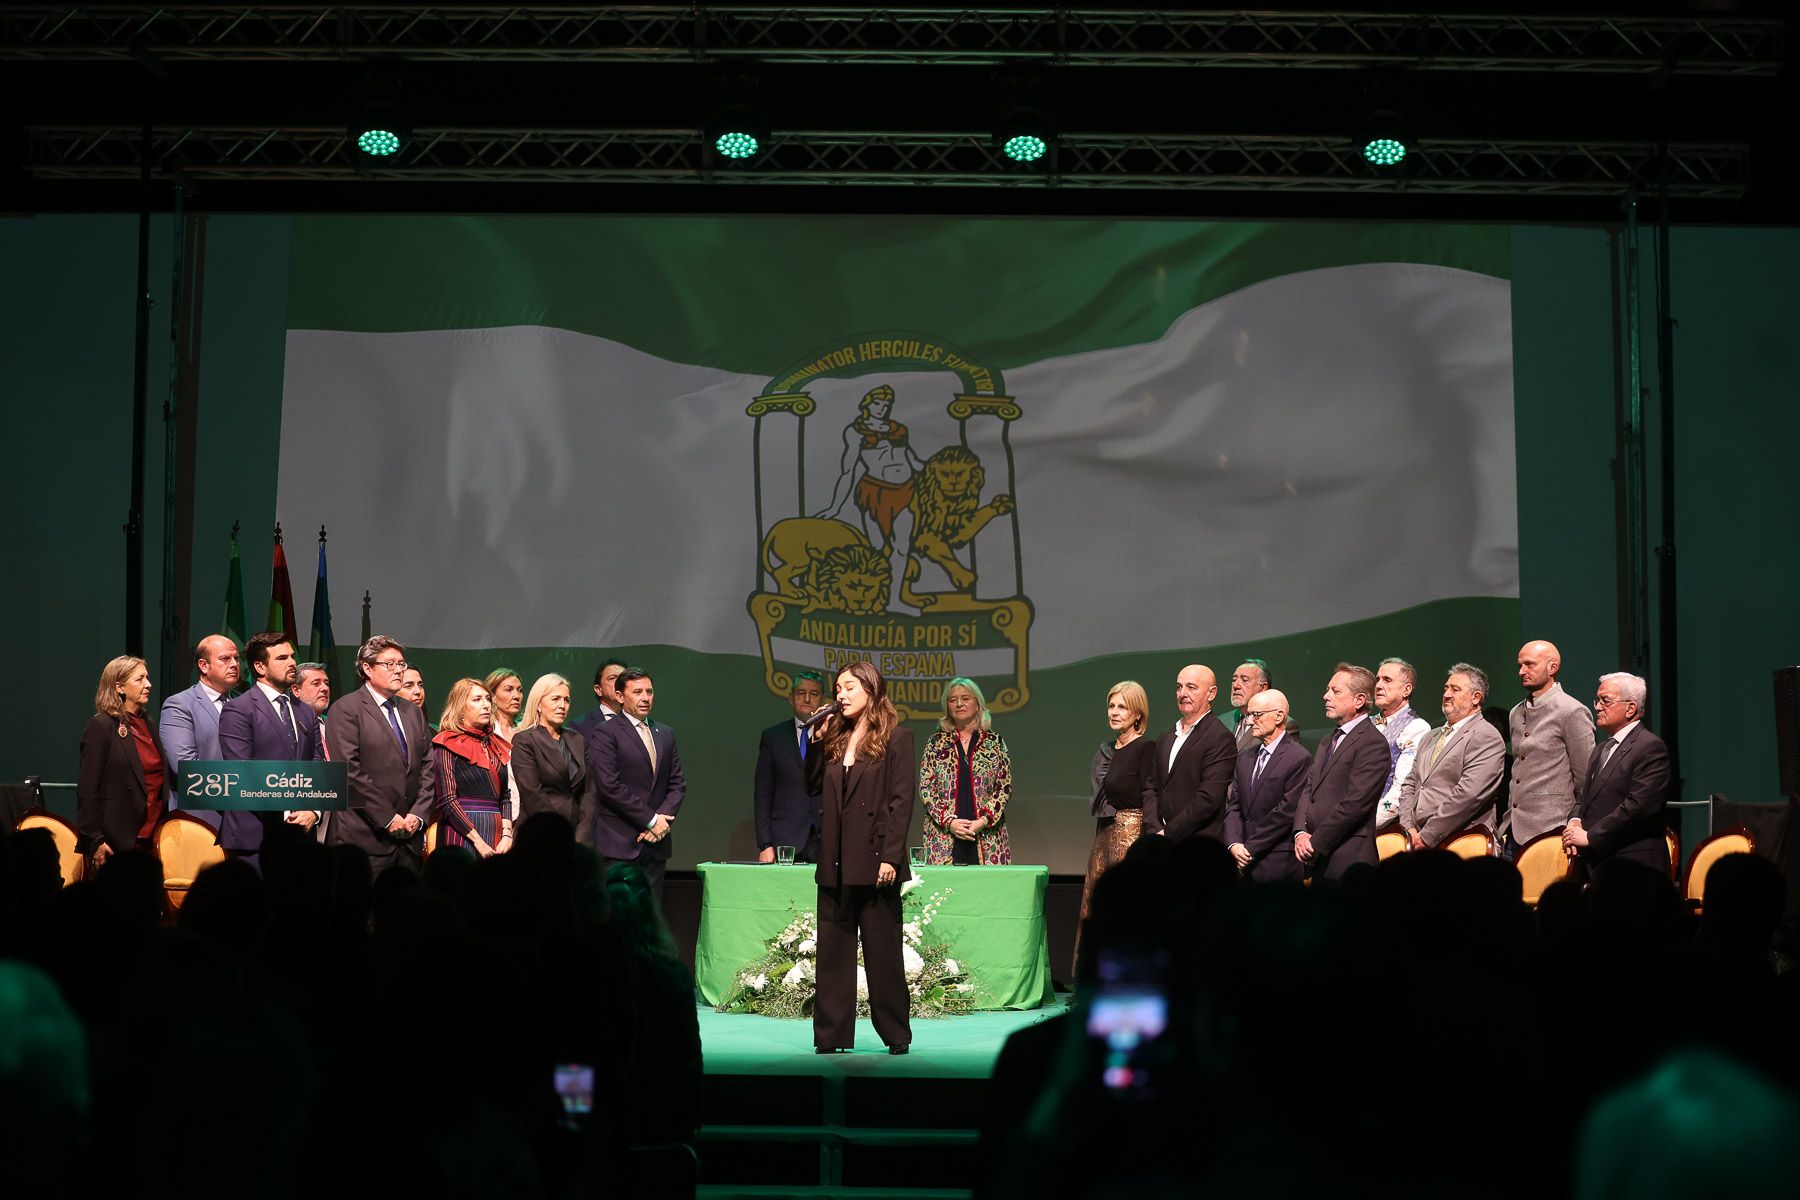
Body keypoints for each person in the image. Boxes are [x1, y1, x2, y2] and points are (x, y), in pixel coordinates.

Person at [811, 660, 914, 1055]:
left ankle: (895, 1033)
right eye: (838, 688)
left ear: (871, 690)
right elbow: (810, 785)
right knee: (832, 954)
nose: (841, 695)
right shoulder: (836, 737)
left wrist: (891, 857)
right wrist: (817, 741)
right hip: (835, 862)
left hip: (875, 862)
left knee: (882, 954)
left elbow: (901, 802)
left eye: (849, 687)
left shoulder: (897, 738)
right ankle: (832, 1035)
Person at [324, 635, 435, 874]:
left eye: (401, 664)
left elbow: (428, 767)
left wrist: (417, 815)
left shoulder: (413, 713)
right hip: (364, 841)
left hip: (409, 841)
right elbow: (348, 772)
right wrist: (387, 818)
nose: (399, 670)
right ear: (367, 668)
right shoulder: (346, 709)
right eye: (389, 664)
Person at [216, 631, 325, 866]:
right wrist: (287, 814)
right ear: (260, 666)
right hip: (256, 836)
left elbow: (318, 765)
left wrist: (313, 811)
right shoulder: (239, 709)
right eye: (282, 658)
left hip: (302, 834)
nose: (292, 663)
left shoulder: (305, 711)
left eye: (292, 656)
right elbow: (242, 773)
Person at [589, 667, 685, 902]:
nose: (645, 698)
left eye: (649, 692)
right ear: (620, 696)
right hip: (619, 845)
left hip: (656, 845)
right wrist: (651, 820)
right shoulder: (606, 732)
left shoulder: (665, 733)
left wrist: (661, 822)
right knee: (618, 914)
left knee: (651, 914)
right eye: (637, 692)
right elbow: (609, 785)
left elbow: (677, 783)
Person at [1563, 672, 1671, 879]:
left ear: (1630, 708)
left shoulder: (1650, 747)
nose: (1597, 707)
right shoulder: (1601, 748)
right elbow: (1585, 797)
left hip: (1633, 865)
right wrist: (1575, 820)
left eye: (1606, 701)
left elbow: (1639, 807)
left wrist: (1591, 836)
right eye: (1597, 700)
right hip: (1598, 862)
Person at [1292, 662, 1390, 880]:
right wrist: (1300, 833)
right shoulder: (1327, 741)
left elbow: (1356, 803)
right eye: (1327, 690)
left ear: (1359, 700)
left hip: (1348, 861)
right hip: (1318, 859)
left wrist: (1315, 842)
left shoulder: (1372, 743)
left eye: (1335, 691)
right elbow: (1309, 790)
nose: (1326, 696)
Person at [1395, 664, 1507, 850]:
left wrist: (1427, 836)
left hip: (1461, 841)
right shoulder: (1430, 737)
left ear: (1476, 697)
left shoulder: (1486, 736)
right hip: (1416, 839)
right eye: (1446, 688)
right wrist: (1408, 829)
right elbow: (1410, 784)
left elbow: (1468, 795)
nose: (1447, 694)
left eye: (1455, 689)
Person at [76, 656, 172, 869]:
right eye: (139, 679)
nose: (149, 684)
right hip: (117, 839)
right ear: (119, 687)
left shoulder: (148, 724)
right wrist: (94, 839)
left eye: (147, 678)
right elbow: (87, 788)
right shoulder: (101, 726)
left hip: (153, 835)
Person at [1507, 639, 1595, 859]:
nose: (1521, 671)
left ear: (1552, 667)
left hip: (1552, 828)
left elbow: (1586, 778)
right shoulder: (1516, 712)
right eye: (1520, 665)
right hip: (1514, 828)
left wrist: (1576, 820)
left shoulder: (1571, 711)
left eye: (1529, 664)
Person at [1080, 680, 1157, 927]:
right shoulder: (1107, 749)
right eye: (1111, 706)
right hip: (1104, 832)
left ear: (1137, 714)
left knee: (1123, 901)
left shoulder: (1145, 747)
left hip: (1130, 834)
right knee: (1096, 901)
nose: (1114, 712)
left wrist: (1147, 839)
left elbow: (1150, 794)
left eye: (1122, 707)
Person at [817, 383, 925, 553]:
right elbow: (848, 470)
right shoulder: (856, 431)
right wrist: (835, 507)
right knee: (877, 547)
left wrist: (936, 471)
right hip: (875, 492)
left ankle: (898, 572)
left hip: (906, 490)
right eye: (877, 403)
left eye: (886, 405)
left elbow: (912, 460)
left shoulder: (899, 429)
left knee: (903, 547)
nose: (882, 409)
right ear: (866, 404)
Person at [919, 677, 1012, 865]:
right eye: (953, 700)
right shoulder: (936, 742)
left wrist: (983, 821)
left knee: (988, 884)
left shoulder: (994, 742)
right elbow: (926, 788)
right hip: (944, 836)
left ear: (977, 705)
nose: (959, 704)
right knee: (945, 884)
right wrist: (949, 822)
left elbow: (1003, 788)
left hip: (987, 837)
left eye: (965, 698)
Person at [1224, 689, 1308, 881]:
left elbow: (1285, 812)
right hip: (1241, 861)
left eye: (1256, 715)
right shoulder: (1245, 758)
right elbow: (1234, 806)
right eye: (1249, 715)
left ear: (1279, 716)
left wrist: (1250, 848)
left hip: (1277, 862)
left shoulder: (1298, 758)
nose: (1249, 721)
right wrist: (1234, 843)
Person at [1147, 664, 1237, 843]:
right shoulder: (1166, 736)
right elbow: (1152, 787)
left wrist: (1168, 833)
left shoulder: (1220, 738)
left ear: (1211, 693)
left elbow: (1209, 798)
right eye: (1179, 687)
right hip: (1160, 842)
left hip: (1196, 845)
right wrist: (1154, 829)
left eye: (1191, 687)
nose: (1182, 693)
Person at [429, 678, 514, 859]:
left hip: (497, 832)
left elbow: (505, 796)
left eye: (487, 699)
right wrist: (478, 842)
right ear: (460, 708)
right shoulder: (447, 743)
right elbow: (447, 800)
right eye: (477, 699)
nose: (486, 705)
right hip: (461, 832)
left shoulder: (494, 744)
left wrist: (507, 835)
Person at [159, 633, 241, 814]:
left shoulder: (243, 704)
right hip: (199, 816)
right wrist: (240, 791)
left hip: (242, 816)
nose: (234, 664)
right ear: (203, 665)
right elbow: (185, 767)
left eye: (236, 658)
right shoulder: (180, 705)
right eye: (225, 659)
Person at [510, 673, 594, 842]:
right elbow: (532, 794)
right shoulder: (524, 740)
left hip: (576, 833)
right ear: (538, 704)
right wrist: (559, 833)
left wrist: (582, 835)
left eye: (566, 700)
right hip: (539, 832)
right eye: (555, 699)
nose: (562, 705)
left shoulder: (578, 740)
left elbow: (589, 792)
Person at [753, 671, 826, 863]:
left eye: (814, 693)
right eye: (801, 693)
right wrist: (765, 844)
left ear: (822, 700)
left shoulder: (834, 737)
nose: (807, 699)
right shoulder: (773, 737)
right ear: (791, 698)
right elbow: (763, 793)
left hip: (826, 837)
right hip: (784, 838)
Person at [1371, 657, 1432, 831]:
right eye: (1378, 679)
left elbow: (1402, 787)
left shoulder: (1416, 727)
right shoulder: (1366, 724)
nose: (1378, 685)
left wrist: (1368, 823)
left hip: (1385, 828)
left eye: (1387, 680)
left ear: (1406, 690)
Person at [569, 657, 626, 743]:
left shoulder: (639, 723)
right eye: (612, 678)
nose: (620, 682)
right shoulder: (579, 726)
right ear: (599, 690)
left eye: (624, 678)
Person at [1226, 659, 1272, 753]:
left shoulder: (1279, 725)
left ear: (1263, 687)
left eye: (1244, 680)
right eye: (1234, 680)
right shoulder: (1223, 721)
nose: (1236, 685)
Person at [483, 668, 523, 744]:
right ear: (492, 696)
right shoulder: (484, 732)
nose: (517, 696)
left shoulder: (526, 729)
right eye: (509, 690)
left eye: (520, 690)